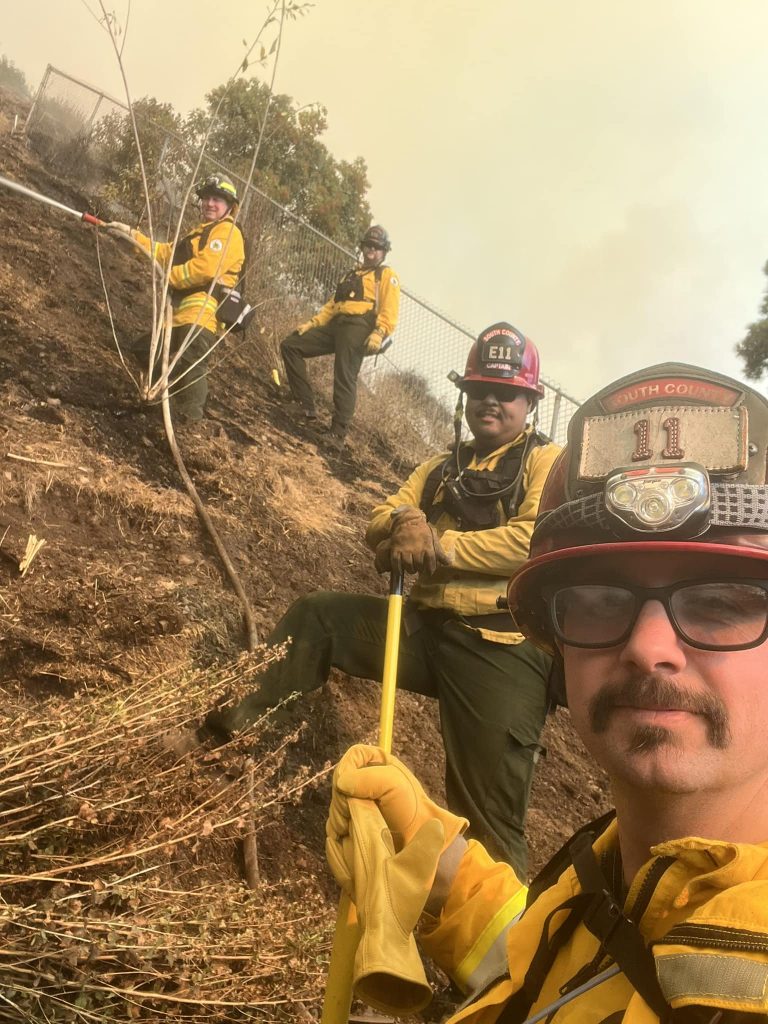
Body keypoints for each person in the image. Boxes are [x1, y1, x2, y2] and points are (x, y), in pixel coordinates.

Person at [327, 360, 768, 1022]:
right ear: (557, 641)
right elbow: (563, 968)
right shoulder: (607, 876)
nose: (649, 647)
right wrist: (441, 873)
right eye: (596, 599)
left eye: (722, 602)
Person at [194, 323, 561, 877]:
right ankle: (240, 735)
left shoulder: (546, 463)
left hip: (500, 646)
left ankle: (504, 946)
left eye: (505, 391)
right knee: (318, 616)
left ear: (528, 401)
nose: (490, 400)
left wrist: (437, 542)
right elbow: (380, 515)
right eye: (479, 388)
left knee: (487, 816)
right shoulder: (441, 466)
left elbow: (534, 538)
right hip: (423, 628)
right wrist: (403, 520)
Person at [107, 174, 245, 422]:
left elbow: (207, 267)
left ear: (229, 206)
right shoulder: (196, 235)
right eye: (206, 198)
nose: (210, 204)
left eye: (217, 200)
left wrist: (171, 276)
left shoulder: (228, 232)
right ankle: (164, 407)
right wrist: (131, 235)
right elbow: (162, 253)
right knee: (145, 349)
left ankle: (191, 426)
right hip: (177, 316)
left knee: (191, 368)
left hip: (202, 314)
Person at [280, 224, 400, 449]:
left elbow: (389, 311)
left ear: (384, 252)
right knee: (291, 345)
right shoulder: (351, 274)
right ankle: (304, 404)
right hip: (337, 324)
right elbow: (332, 306)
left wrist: (379, 332)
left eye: (376, 247)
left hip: (359, 326)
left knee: (344, 375)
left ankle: (337, 434)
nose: (370, 251)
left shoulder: (386, 275)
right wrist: (312, 323)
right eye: (367, 246)